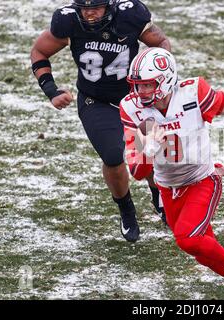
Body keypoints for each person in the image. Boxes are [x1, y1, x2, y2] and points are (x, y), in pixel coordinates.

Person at [119, 47, 224, 299]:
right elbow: (137, 170)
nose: (141, 92)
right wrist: (149, 149)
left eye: (147, 85)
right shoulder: (131, 108)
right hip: (167, 186)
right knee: (201, 252)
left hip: (202, 178)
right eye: (137, 85)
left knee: (187, 238)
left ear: (165, 80)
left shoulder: (193, 92)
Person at [30, 0, 171, 243]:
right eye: (84, 7)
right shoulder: (69, 21)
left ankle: (158, 192)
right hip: (96, 100)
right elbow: (39, 51)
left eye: (95, 6)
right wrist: (51, 90)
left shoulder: (130, 16)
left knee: (152, 150)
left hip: (137, 98)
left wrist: (156, 73)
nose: (89, 13)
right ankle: (126, 209)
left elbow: (161, 44)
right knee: (113, 156)